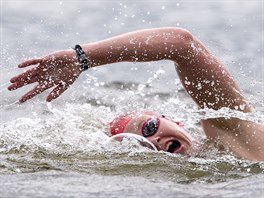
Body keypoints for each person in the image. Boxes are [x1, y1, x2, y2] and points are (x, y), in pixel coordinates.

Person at [8, 27, 264, 161]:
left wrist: (82, 58)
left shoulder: (234, 133)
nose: (155, 142)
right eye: (140, 145)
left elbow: (182, 44)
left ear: (174, 120)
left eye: (150, 127)